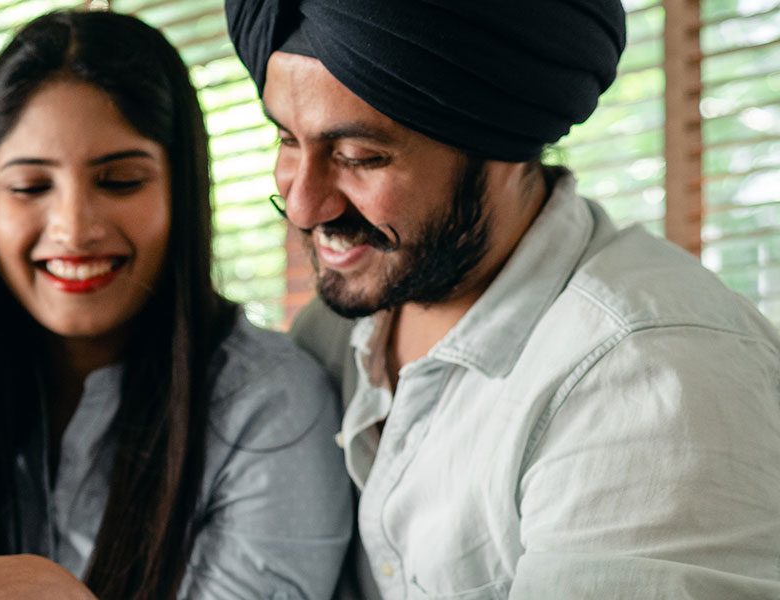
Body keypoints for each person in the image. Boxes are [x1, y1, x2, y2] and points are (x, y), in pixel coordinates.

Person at [224, 0, 780, 597]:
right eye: (286, 139)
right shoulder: (330, 334)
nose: (303, 206)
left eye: (360, 157)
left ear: (502, 146)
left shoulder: (652, 385)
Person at [0, 10, 350, 600]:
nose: (73, 230)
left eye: (120, 180)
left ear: (182, 191)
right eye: (31, 187)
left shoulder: (271, 403)